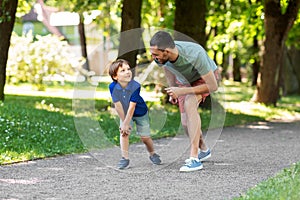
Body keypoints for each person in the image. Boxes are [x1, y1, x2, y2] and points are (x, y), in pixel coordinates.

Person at [149, 31, 219, 172]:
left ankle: (194, 158)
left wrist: (181, 91)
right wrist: (172, 90)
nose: (153, 57)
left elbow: (213, 86)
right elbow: (168, 69)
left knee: (189, 103)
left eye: (156, 54)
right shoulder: (161, 58)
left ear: (167, 51)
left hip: (204, 79)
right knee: (186, 123)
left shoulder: (195, 54)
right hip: (184, 81)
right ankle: (204, 150)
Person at [108, 59, 162, 169]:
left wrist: (126, 122)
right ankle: (125, 158)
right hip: (125, 113)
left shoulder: (135, 86)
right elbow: (118, 105)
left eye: (128, 69)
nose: (128, 72)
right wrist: (124, 123)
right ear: (115, 77)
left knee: (145, 138)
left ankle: (152, 153)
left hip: (140, 113)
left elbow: (132, 106)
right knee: (124, 133)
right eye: (123, 70)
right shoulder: (112, 87)